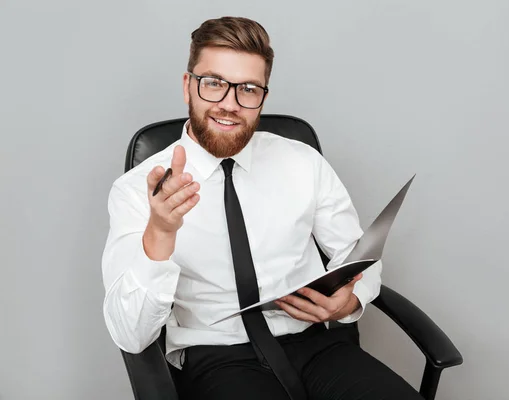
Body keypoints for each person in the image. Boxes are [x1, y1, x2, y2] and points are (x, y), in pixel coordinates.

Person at [102, 16, 420, 400]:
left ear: (263, 97)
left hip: (317, 345)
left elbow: (357, 256)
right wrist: (160, 234)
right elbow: (130, 336)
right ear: (188, 87)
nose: (229, 105)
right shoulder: (136, 190)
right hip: (218, 356)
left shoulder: (304, 162)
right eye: (214, 84)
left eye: (248, 89)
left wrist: (351, 300)